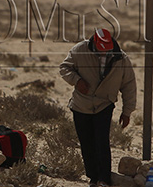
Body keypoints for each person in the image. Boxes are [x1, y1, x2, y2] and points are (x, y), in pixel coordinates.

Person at [59, 28, 137, 187]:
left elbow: (129, 85)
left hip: (104, 104)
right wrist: (77, 80)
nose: (103, 54)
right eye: (100, 51)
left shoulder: (120, 58)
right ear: (94, 43)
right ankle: (93, 177)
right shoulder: (80, 50)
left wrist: (127, 111)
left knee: (101, 142)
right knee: (86, 142)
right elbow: (64, 68)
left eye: (106, 51)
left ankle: (104, 179)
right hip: (81, 104)